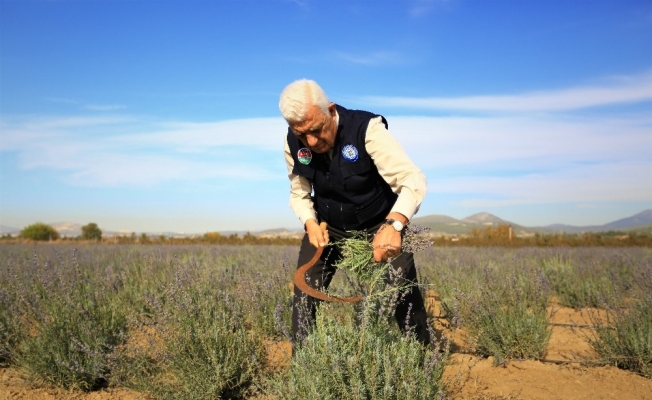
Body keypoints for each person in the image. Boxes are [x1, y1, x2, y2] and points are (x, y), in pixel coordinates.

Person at [279, 79, 430, 347]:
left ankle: (421, 358)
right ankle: (302, 371)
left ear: (331, 110)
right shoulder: (293, 143)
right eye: (302, 134)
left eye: (316, 130)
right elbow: (299, 193)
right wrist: (310, 223)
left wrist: (394, 225)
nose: (311, 142)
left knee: (402, 292)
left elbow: (412, 179)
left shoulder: (367, 129)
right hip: (329, 228)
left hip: (379, 225)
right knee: (305, 294)